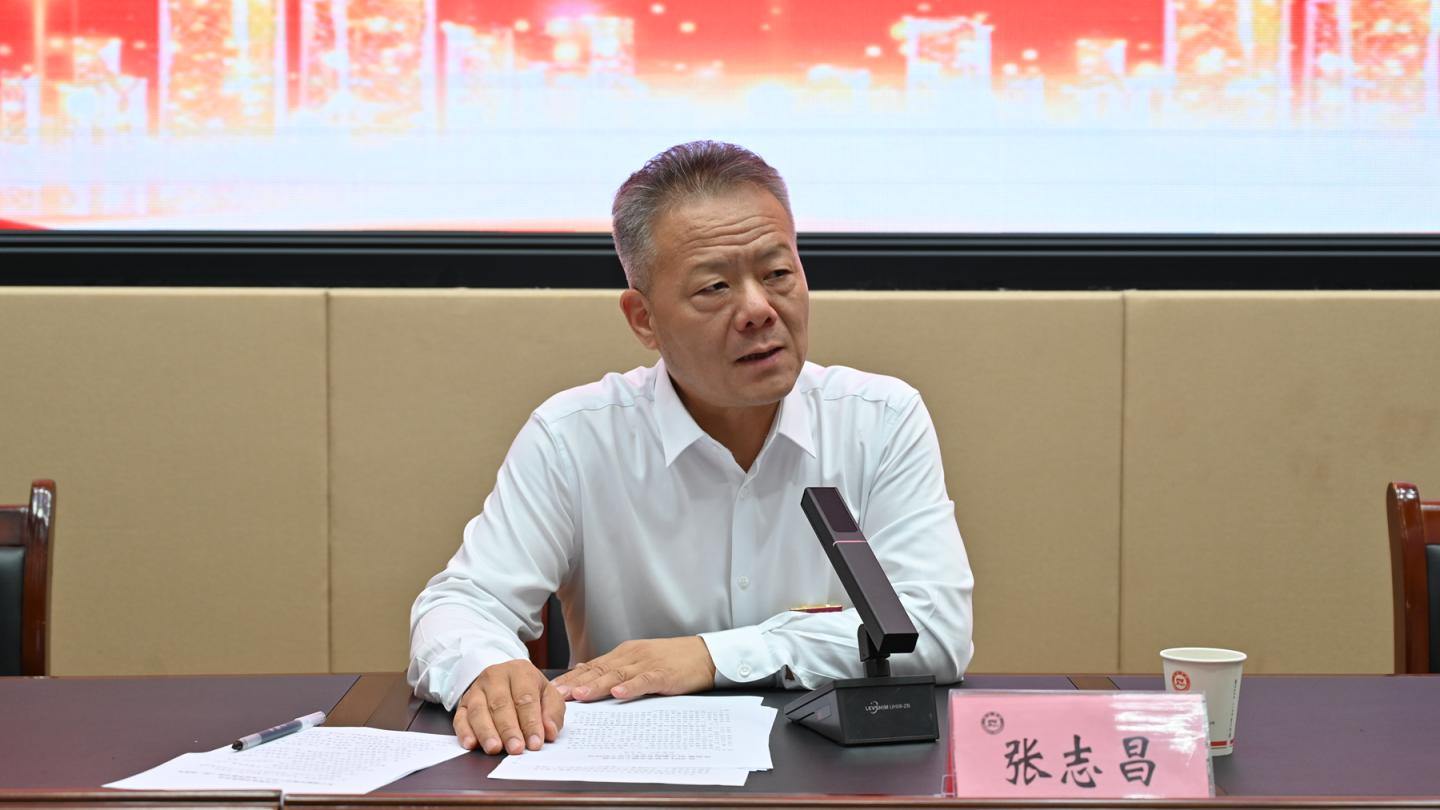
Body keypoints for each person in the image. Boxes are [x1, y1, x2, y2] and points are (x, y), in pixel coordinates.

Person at [408, 141, 974, 756]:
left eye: (778, 274)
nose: (758, 309)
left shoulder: (879, 420)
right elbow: (461, 604)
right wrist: (487, 669)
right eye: (714, 287)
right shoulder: (574, 436)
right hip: (633, 773)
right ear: (643, 319)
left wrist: (710, 656)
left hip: (835, 774)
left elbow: (934, 629)